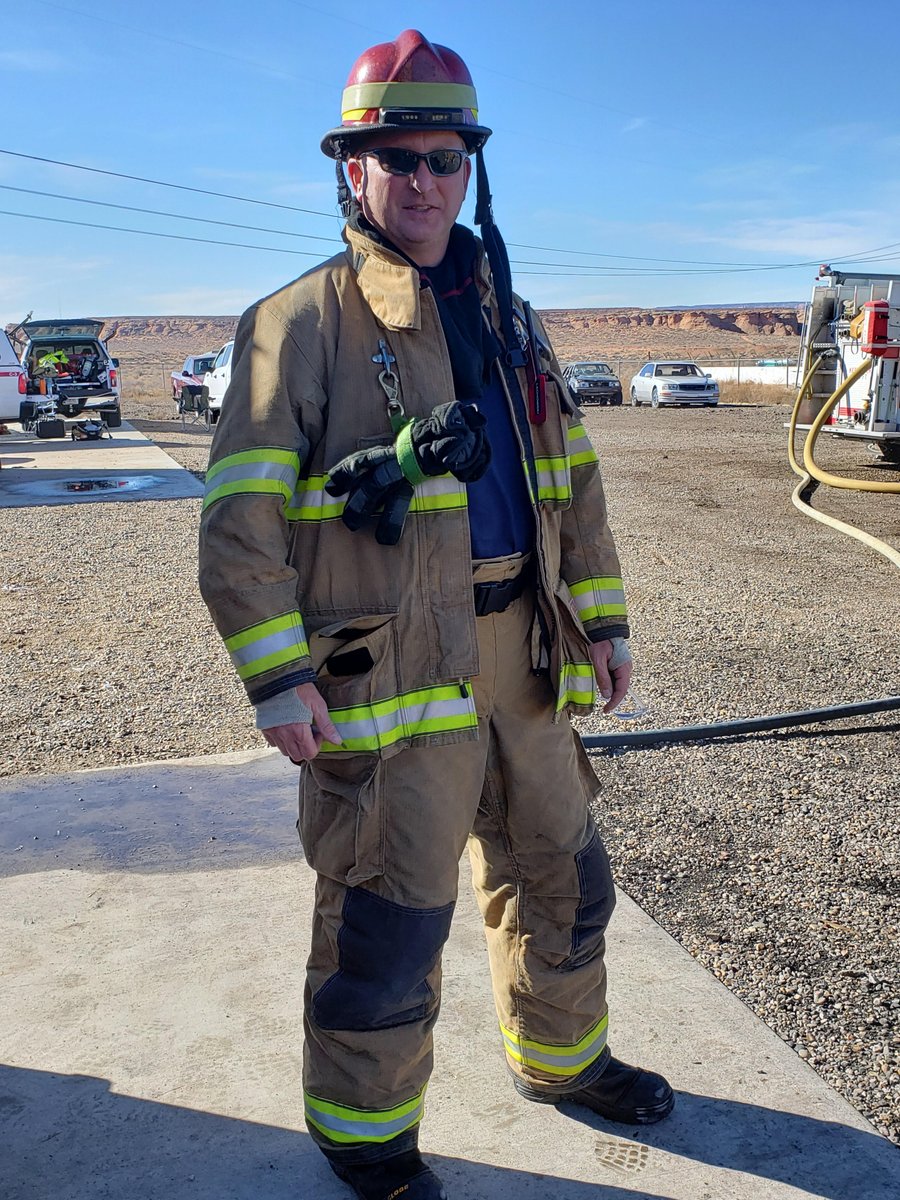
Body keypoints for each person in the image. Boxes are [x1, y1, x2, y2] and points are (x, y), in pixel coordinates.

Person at [198, 30, 673, 1200]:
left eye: (444, 159)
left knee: (564, 873)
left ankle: (563, 1061)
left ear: (472, 171)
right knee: (388, 922)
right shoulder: (298, 324)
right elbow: (239, 523)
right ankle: (368, 1142)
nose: (423, 181)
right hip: (389, 668)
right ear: (350, 171)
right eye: (396, 158)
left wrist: (601, 627)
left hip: (526, 658)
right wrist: (278, 677)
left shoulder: (513, 318)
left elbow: (575, 479)